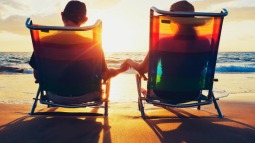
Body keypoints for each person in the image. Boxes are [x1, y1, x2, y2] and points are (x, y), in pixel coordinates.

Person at [29, 0, 129, 104]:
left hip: (54, 96)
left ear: (62, 16)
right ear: (85, 20)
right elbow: (105, 75)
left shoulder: (44, 42)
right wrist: (120, 69)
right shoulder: (93, 45)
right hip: (86, 96)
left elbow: (37, 75)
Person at [121, 0, 210, 102]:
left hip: (164, 94)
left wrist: (129, 61)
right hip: (193, 94)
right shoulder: (205, 42)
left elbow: (143, 69)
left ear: (173, 21)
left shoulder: (163, 42)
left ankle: (147, 92)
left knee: (144, 87)